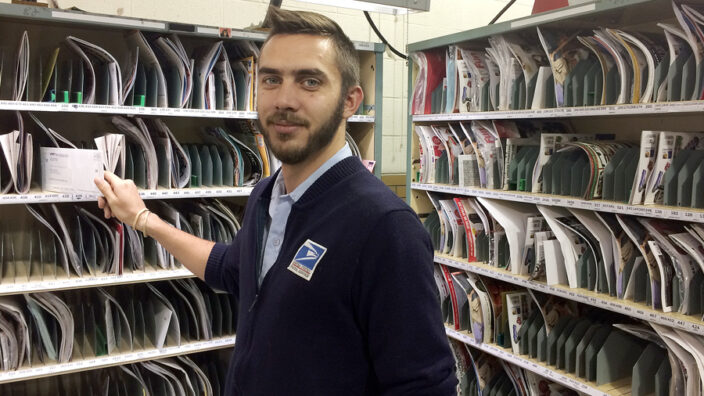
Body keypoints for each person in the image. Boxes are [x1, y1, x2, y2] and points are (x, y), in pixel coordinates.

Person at [94, 6, 456, 396]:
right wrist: (143, 218)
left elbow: (423, 385)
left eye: (310, 82)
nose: (284, 99)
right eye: (271, 79)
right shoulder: (267, 194)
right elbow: (231, 270)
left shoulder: (385, 227)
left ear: (350, 101)